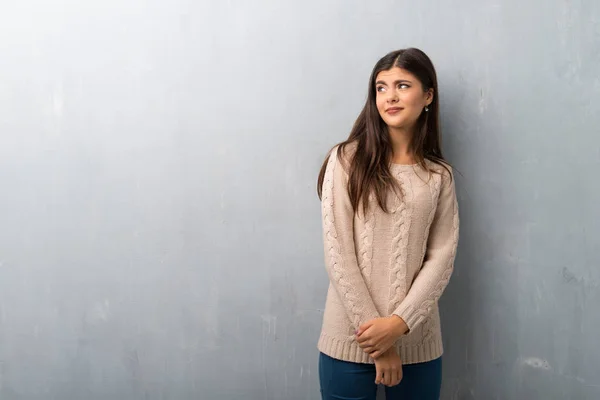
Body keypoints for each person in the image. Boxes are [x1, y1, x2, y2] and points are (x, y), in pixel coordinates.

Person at [316, 48, 460, 400]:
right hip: (348, 344)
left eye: (402, 85)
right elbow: (339, 256)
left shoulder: (439, 175)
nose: (390, 96)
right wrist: (382, 345)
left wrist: (398, 325)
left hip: (419, 346)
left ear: (428, 96)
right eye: (381, 88)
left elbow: (441, 258)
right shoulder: (346, 160)